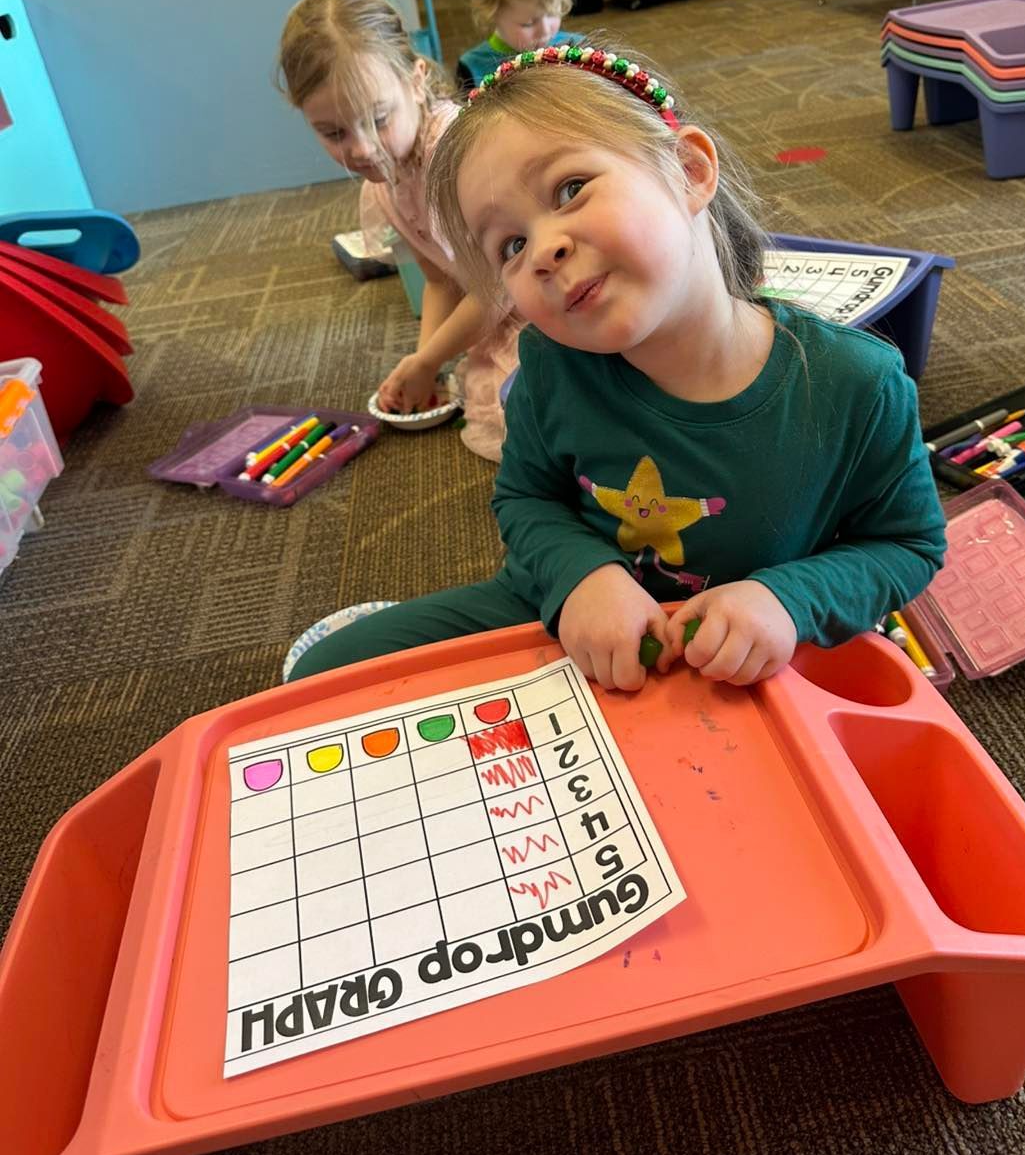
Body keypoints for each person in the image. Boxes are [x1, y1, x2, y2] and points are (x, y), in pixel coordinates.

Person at [285, 41, 946, 688]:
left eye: (570, 188)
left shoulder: (857, 383)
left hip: (746, 660)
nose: (543, 249)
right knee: (321, 681)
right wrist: (583, 577)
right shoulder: (550, 362)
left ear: (688, 170)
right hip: (565, 616)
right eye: (509, 244)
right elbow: (527, 497)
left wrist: (789, 600)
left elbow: (907, 545)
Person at [278, 0, 518, 459]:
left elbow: (500, 285)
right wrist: (424, 362)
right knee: (481, 394)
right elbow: (440, 282)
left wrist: (429, 360)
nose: (361, 149)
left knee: (529, 415)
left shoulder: (456, 153)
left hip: (538, 292)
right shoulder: (384, 181)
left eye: (379, 118)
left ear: (416, 81)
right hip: (495, 313)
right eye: (333, 133)